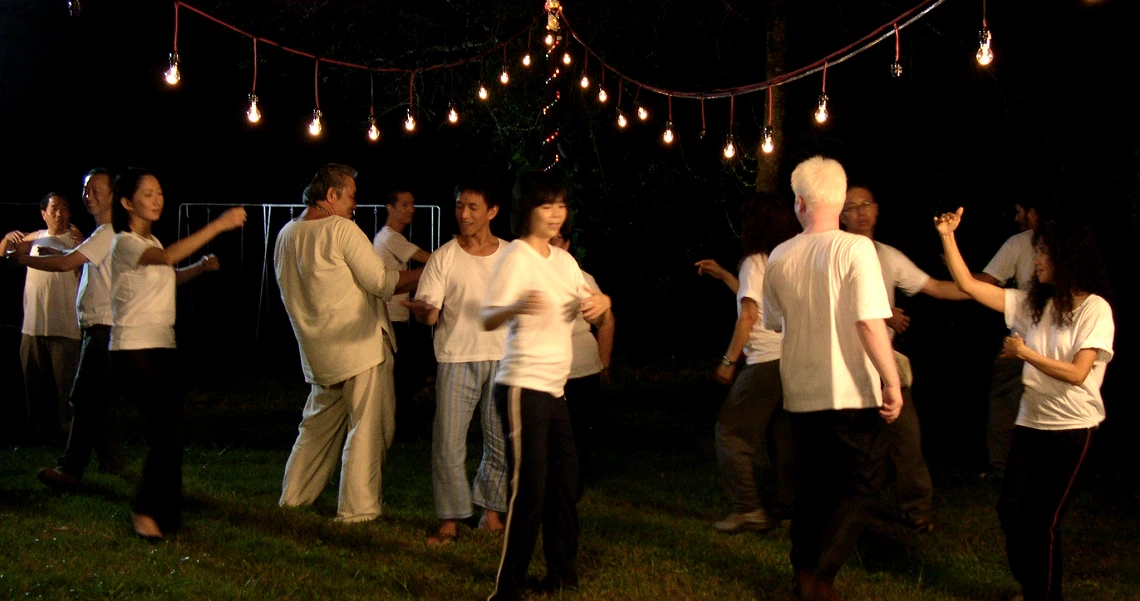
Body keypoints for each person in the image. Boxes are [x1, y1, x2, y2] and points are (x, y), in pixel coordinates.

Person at [934, 208, 1113, 601]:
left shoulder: (1094, 309)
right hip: (1032, 424)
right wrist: (948, 237)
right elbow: (967, 284)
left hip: (1074, 430)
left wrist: (1025, 354)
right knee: (1010, 510)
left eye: (1045, 253)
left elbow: (1078, 372)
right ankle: (1033, 585)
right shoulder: (1033, 303)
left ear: (1067, 258)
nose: (1037, 261)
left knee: (1044, 523)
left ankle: (1043, 596)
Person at [761, 157, 902, 601]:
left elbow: (777, 322)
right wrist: (892, 382)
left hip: (801, 392)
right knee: (861, 485)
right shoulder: (855, 250)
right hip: (851, 391)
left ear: (800, 202)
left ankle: (805, 571)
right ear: (840, 203)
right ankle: (822, 574)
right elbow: (869, 322)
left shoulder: (780, 255)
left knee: (812, 487)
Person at [482, 172, 611, 601]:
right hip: (522, 385)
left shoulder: (564, 261)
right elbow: (487, 316)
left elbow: (592, 302)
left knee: (564, 482)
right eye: (546, 205)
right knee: (530, 485)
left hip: (556, 389)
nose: (556, 214)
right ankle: (508, 587)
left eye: (561, 204)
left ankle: (561, 573)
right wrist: (516, 304)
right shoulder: (516, 256)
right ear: (527, 211)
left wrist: (603, 303)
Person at [275, 164, 417, 523]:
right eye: (351, 195)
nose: (356, 203)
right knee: (369, 430)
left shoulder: (286, 235)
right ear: (332, 195)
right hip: (361, 348)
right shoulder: (341, 228)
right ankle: (358, 510)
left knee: (316, 430)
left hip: (319, 354)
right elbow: (384, 283)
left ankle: (293, 498)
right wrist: (437, 267)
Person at [108, 167, 244, 539]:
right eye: (148, 193)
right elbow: (166, 259)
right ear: (126, 202)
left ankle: (164, 510)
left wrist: (198, 268)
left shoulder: (151, 242)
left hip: (162, 346)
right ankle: (145, 511)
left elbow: (167, 273)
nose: (157, 199)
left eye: (160, 193)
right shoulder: (124, 243)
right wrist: (219, 225)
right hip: (132, 348)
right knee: (166, 427)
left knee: (171, 429)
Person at [840, 185, 970, 532]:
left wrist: (979, 286)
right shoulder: (836, 252)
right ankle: (845, 510)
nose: (861, 211)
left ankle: (916, 509)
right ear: (841, 215)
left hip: (885, 362)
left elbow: (937, 287)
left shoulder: (888, 256)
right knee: (852, 442)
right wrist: (884, 315)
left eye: (866, 203)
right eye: (852, 206)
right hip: (845, 360)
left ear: (877, 210)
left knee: (906, 437)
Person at [402, 181, 510, 545]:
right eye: (460, 206)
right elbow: (430, 316)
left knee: (499, 440)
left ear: (492, 211)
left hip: (501, 357)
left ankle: (491, 513)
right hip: (456, 357)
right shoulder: (444, 256)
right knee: (448, 440)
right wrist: (423, 312)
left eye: (473, 207)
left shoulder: (511, 256)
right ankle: (449, 519)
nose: (464, 214)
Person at [9, 170, 126, 489]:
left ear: (113, 193)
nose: (88, 194)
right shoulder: (100, 233)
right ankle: (112, 461)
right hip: (97, 326)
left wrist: (25, 259)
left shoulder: (105, 233)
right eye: (85, 189)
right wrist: (56, 253)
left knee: (81, 397)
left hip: (100, 327)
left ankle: (71, 468)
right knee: (95, 400)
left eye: (95, 189)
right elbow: (75, 259)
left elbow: (67, 264)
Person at [696, 193, 797, 533]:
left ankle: (748, 508)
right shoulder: (786, 258)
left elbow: (750, 315)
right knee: (781, 435)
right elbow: (759, 299)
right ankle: (788, 508)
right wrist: (724, 275)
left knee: (730, 433)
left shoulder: (755, 260)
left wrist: (729, 360)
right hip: (792, 360)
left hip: (765, 360)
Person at [976, 200, 1050, 478]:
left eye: (1020, 211)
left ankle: (1011, 467)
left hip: (1036, 342)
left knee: (1015, 401)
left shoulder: (1025, 243)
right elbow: (981, 285)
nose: (1018, 218)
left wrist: (960, 279)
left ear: (1034, 212)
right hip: (1021, 339)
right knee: (1008, 399)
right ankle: (1004, 468)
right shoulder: (1020, 243)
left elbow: (983, 282)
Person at [2, 193, 83, 441]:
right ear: (44, 214)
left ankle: (66, 432)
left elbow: (78, 262)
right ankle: (38, 431)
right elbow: (7, 254)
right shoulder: (36, 237)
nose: (59, 213)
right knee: (34, 382)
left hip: (66, 325)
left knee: (66, 385)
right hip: (34, 325)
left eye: (65, 209)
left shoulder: (77, 239)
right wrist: (8, 238)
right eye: (54, 208)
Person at [551, 222, 614, 500]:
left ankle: (570, 491)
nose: (551, 246)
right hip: (544, 369)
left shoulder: (580, 278)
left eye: (557, 240)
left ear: (566, 244)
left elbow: (606, 320)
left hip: (579, 369)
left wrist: (604, 364)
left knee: (576, 435)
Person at [373, 187, 430, 429]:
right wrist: (458, 255)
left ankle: (399, 422)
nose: (411, 210)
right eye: (404, 204)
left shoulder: (391, 237)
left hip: (396, 315)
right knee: (406, 373)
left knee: (405, 372)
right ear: (390, 208)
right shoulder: (390, 237)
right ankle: (400, 424)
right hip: (391, 317)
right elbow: (430, 260)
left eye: (412, 204)